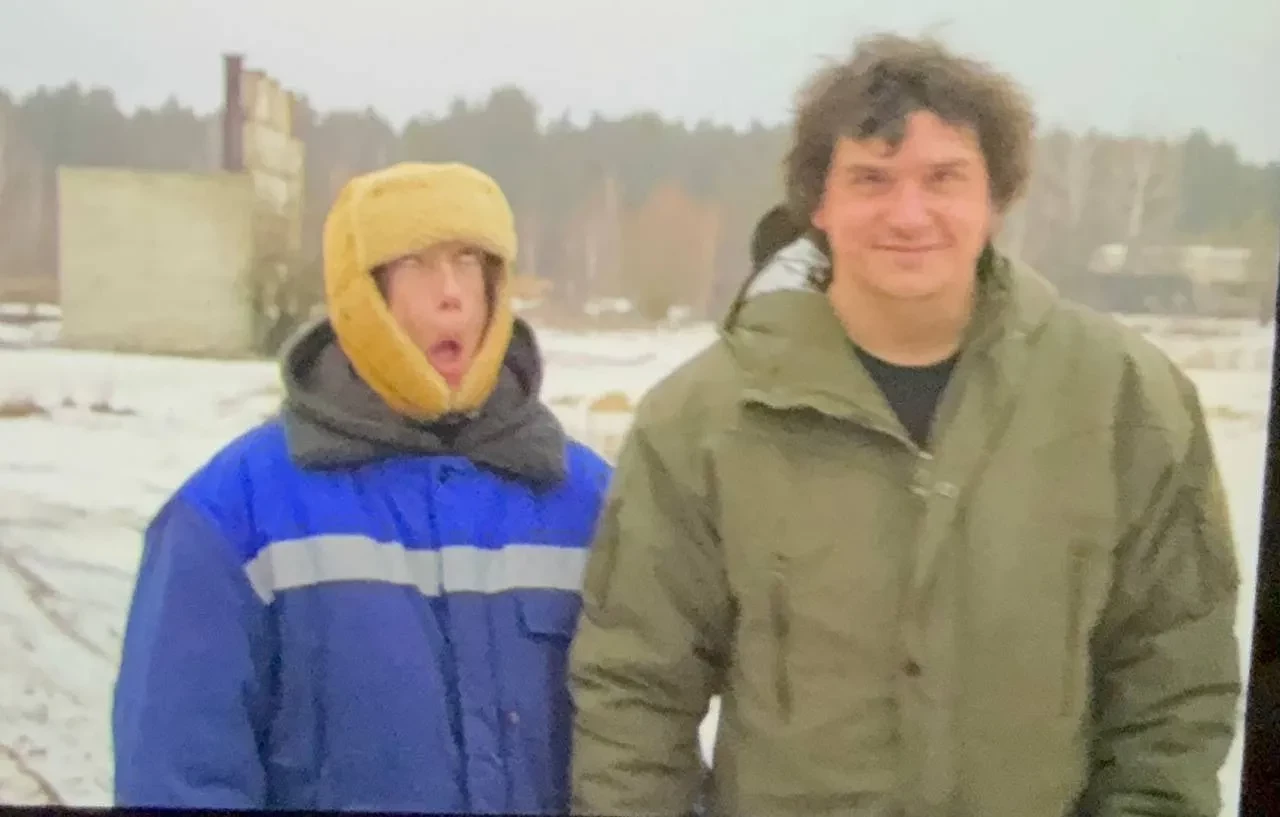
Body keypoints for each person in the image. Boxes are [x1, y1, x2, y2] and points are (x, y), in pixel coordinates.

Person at [568, 33, 1242, 817]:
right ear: (820, 204)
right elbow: (636, 692)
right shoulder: (704, 420)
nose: (909, 213)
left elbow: (1174, 684)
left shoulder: (1126, 401)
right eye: (872, 179)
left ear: (997, 197)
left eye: (944, 177)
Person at [112, 161, 612, 813]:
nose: (451, 295)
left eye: (469, 262)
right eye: (415, 263)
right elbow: (178, 777)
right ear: (361, 293)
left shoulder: (589, 503)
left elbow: (646, 745)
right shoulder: (233, 516)